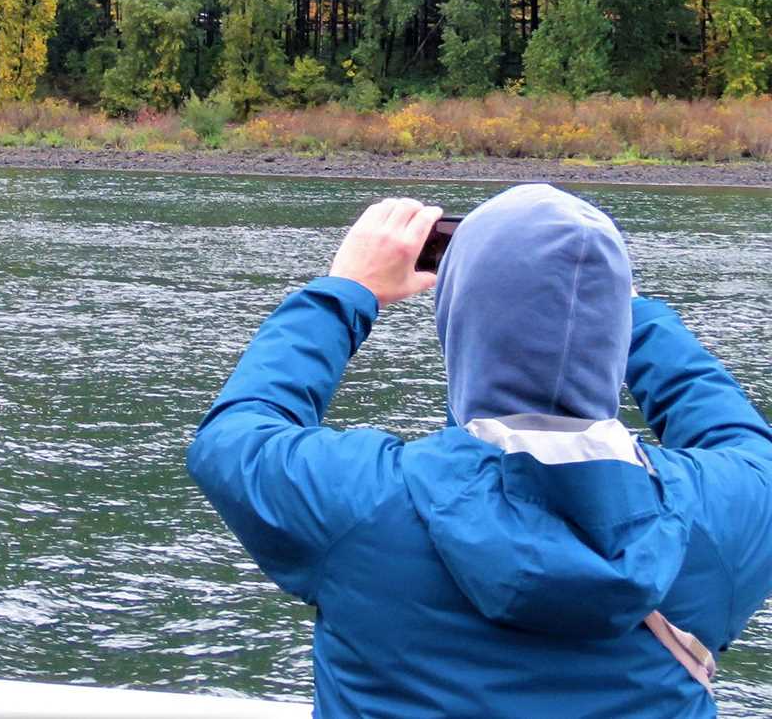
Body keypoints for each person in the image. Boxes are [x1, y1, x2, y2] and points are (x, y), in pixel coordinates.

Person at [189, 184, 772, 718]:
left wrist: (346, 291)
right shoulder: (722, 516)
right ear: (616, 332)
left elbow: (236, 435)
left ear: (457, 322)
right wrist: (618, 308)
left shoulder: (363, 505)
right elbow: (736, 436)